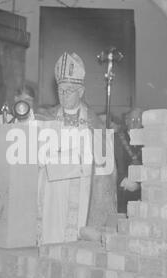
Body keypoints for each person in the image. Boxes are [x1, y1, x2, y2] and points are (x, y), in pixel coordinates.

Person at [35, 52, 117, 245]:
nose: (63, 95)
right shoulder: (44, 117)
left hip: (81, 190)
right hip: (52, 192)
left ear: (81, 92)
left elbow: (105, 170)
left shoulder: (95, 124)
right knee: (51, 241)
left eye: (69, 90)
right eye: (61, 89)